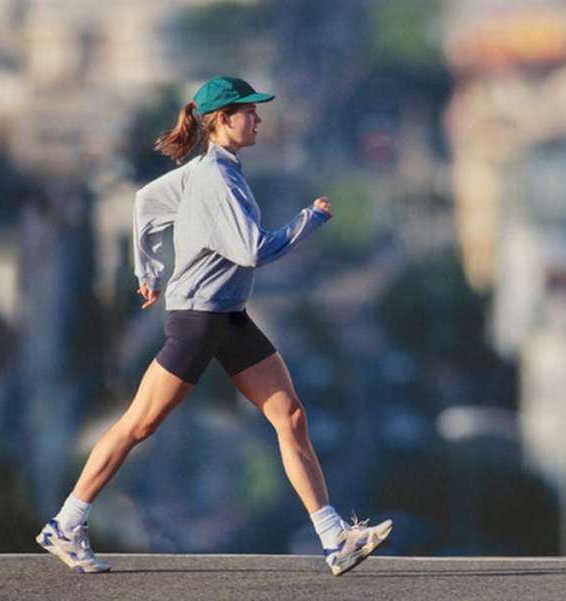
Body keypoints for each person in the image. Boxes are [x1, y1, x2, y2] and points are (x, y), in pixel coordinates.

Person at [36, 76, 392, 576]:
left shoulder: (208, 170)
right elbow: (253, 250)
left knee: (290, 417)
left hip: (229, 317)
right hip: (200, 321)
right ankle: (66, 524)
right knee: (139, 424)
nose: (259, 119)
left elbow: (145, 202)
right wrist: (309, 219)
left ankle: (336, 539)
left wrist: (150, 272)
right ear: (222, 119)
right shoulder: (215, 180)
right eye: (250, 111)